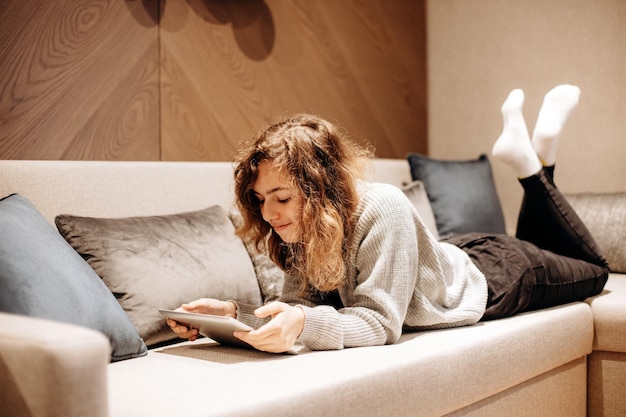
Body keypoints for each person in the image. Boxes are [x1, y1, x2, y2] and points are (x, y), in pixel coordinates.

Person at [167, 85, 609, 353]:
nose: (269, 213)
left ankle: (534, 169)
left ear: (320, 186)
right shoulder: (299, 226)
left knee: (595, 270)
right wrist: (234, 315)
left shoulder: (382, 206)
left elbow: (380, 323)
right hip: (455, 253)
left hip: (498, 276)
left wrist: (302, 325)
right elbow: (302, 310)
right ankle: (540, 155)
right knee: (546, 243)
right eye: (260, 199)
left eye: (281, 197)